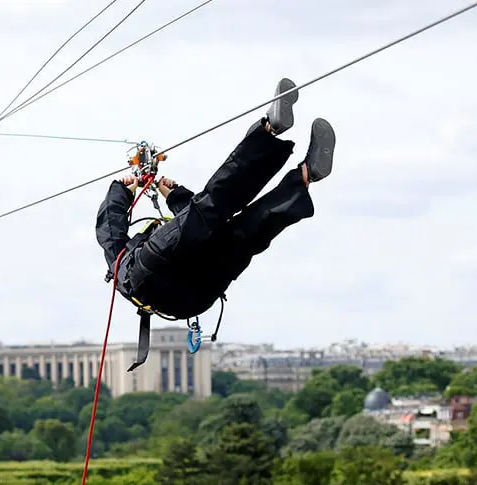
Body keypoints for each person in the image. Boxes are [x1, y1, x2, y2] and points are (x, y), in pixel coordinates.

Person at [96, 77, 336, 320]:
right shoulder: (125, 260)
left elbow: (189, 227)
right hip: (152, 276)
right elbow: (111, 231)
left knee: (245, 236)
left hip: (194, 299)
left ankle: (306, 175)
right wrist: (123, 190)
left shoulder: (134, 261)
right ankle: (270, 129)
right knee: (212, 209)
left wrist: (164, 195)